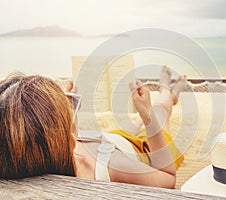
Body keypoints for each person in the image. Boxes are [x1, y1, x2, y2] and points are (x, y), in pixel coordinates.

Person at [0, 66, 187, 189]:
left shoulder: (30, 160)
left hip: (110, 141)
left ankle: (160, 101)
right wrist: (147, 116)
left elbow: (59, 146)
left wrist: (68, 112)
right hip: (141, 152)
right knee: (160, 114)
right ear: (71, 142)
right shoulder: (113, 167)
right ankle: (168, 93)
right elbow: (168, 178)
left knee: (136, 123)